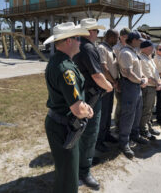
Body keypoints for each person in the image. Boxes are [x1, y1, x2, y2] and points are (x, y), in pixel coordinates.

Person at [43, 22, 93, 193]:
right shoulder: (66, 69)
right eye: (78, 38)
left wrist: (83, 105)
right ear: (68, 41)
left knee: (65, 170)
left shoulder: (59, 61)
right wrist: (87, 110)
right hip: (64, 126)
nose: (81, 42)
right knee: (68, 177)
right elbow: (78, 110)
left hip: (62, 124)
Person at [73, 18, 113, 190]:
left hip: (81, 95)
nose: (98, 34)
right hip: (91, 97)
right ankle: (84, 170)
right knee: (89, 134)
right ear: (91, 31)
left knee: (82, 133)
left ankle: (82, 162)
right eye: (96, 30)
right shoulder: (88, 47)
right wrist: (109, 86)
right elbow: (97, 76)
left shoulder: (77, 45)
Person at [118, 32, 148, 158]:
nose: (141, 42)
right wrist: (141, 80)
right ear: (133, 40)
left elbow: (136, 71)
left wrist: (143, 78)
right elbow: (129, 73)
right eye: (139, 40)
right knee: (128, 114)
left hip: (135, 86)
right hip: (129, 86)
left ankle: (134, 135)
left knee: (137, 112)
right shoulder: (126, 53)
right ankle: (124, 141)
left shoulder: (133, 52)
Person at [96, 29, 120, 152]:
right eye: (116, 37)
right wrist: (113, 81)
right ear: (110, 37)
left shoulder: (110, 48)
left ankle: (106, 134)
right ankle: (98, 140)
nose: (118, 40)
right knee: (103, 112)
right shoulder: (102, 48)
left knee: (108, 111)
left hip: (111, 83)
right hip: (106, 84)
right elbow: (103, 68)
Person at [139, 40, 161, 140]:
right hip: (148, 88)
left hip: (153, 87)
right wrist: (157, 83)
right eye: (151, 47)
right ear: (145, 48)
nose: (153, 49)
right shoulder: (142, 59)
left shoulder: (149, 58)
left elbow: (156, 73)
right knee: (146, 109)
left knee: (150, 109)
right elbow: (148, 77)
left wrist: (160, 82)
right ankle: (143, 129)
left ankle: (148, 127)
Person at [112, 27, 130, 132]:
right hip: (119, 78)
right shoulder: (116, 48)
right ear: (122, 37)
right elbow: (115, 66)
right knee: (120, 103)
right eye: (128, 36)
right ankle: (118, 125)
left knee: (127, 104)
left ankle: (124, 124)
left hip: (128, 79)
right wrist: (117, 81)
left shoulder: (128, 47)